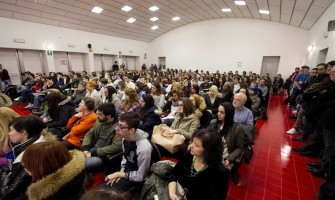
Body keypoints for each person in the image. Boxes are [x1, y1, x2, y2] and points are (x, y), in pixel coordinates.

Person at [0, 115, 56, 200]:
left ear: (23, 132)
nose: (9, 133)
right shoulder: (24, 146)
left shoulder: (33, 155)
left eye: (11, 130)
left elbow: (10, 192)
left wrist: (6, 175)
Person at [168, 129, 229, 200]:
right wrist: (172, 193)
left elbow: (218, 197)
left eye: (196, 145)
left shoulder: (219, 172)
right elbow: (174, 173)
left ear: (208, 150)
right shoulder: (188, 155)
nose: (191, 146)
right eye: (192, 142)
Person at [105, 112, 152, 192]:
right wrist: (122, 171)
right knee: (107, 184)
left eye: (121, 126)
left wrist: (120, 175)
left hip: (137, 178)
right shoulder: (125, 137)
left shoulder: (144, 148)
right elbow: (125, 156)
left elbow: (141, 176)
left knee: (108, 191)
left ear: (132, 130)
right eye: (118, 124)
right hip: (128, 171)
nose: (116, 128)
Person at [21, 141, 85, 200]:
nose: (25, 168)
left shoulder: (47, 196)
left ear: (44, 167)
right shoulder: (76, 176)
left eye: (28, 165)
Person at [210, 102, 245, 184]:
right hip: (212, 153)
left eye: (222, 112)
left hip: (225, 156)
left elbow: (240, 147)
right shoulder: (214, 123)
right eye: (218, 111)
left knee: (218, 178)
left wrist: (229, 159)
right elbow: (206, 136)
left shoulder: (237, 129)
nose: (218, 114)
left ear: (229, 114)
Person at [82, 103, 122, 172]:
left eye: (100, 114)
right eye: (97, 113)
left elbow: (116, 146)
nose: (97, 116)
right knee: (72, 161)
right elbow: (90, 134)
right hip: (92, 149)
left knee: (81, 166)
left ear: (108, 116)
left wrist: (94, 152)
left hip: (104, 156)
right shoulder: (100, 121)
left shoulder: (119, 128)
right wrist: (85, 147)